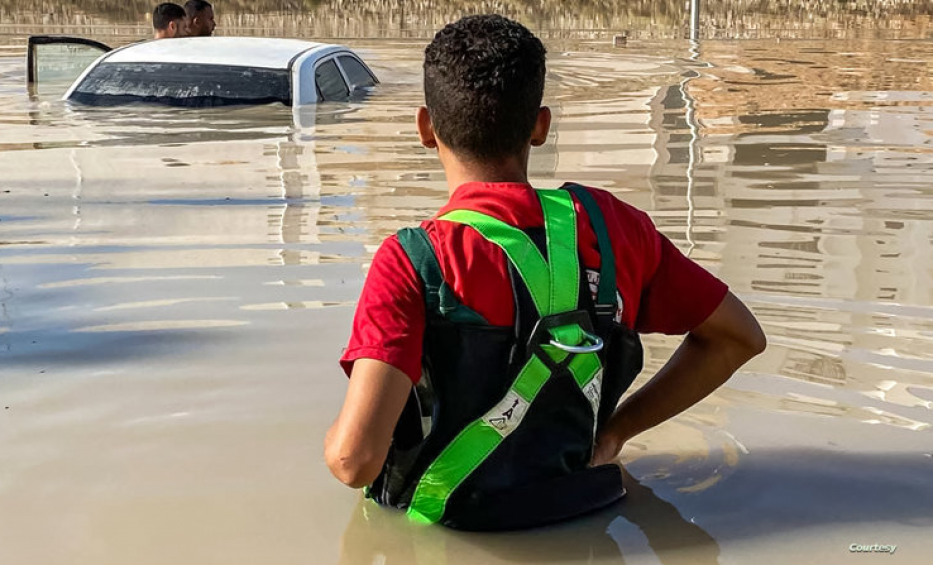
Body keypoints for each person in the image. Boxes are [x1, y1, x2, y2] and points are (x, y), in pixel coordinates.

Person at [324, 14, 766, 531]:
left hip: (455, 530)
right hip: (586, 511)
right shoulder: (614, 227)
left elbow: (355, 462)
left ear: (425, 128)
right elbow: (739, 338)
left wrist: (332, 439)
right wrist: (618, 432)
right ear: (541, 126)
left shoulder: (414, 260)